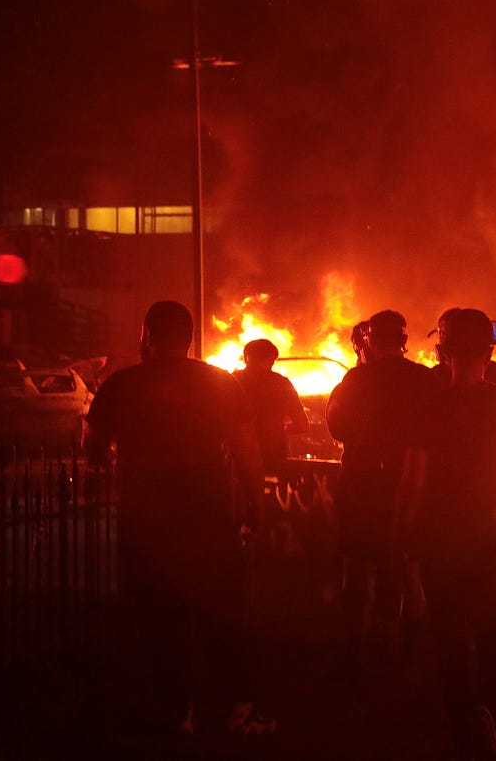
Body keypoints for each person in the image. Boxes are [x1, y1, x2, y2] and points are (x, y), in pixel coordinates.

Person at [83, 300, 275, 736]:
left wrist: (109, 459)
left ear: (148, 335)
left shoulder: (121, 385)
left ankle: (175, 709)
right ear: (188, 339)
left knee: (157, 616)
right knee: (221, 612)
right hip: (207, 514)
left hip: (146, 518)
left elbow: (93, 446)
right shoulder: (219, 383)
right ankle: (239, 707)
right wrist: (256, 505)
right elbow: (247, 452)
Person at [397, 309, 496, 760]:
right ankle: (487, 712)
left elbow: (413, 481)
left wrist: (406, 537)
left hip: (438, 530)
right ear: (488, 352)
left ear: (442, 353)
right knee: (493, 628)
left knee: (448, 629)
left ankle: (464, 719)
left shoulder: (428, 408)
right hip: (488, 529)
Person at [324, 309, 440, 663]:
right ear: (403, 341)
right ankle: (397, 648)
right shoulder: (424, 379)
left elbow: (336, 426)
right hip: (409, 481)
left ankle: (353, 649)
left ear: (371, 340)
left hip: (361, 481)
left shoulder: (355, 380)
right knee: (404, 564)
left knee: (357, 564)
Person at [231, 338, 309, 475]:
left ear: (246, 358)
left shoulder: (231, 382)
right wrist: (277, 430)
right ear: (272, 360)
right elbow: (302, 424)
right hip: (274, 456)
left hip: (236, 459)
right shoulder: (281, 384)